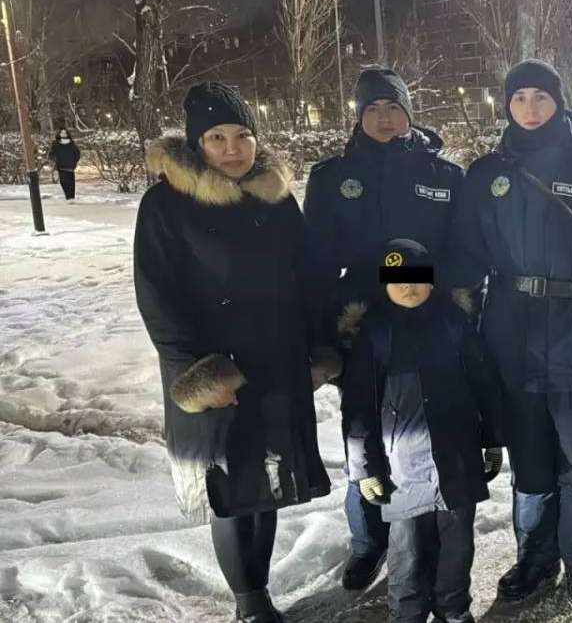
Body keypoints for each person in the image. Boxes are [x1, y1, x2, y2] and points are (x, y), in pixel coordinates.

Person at [134, 81, 336, 623]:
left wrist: (318, 346)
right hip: (217, 371)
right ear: (196, 144)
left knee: (267, 481)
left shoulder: (273, 198)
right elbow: (157, 297)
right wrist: (197, 374)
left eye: (243, 135)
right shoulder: (165, 205)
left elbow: (308, 276)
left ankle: (259, 590)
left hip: (276, 361)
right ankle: (249, 604)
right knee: (230, 485)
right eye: (217, 137)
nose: (232, 148)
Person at [451, 59, 572, 608]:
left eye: (540, 97)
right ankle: (536, 560)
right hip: (510, 333)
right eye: (519, 99)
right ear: (506, 105)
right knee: (531, 462)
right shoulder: (488, 174)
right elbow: (464, 257)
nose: (530, 108)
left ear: (558, 102)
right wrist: (423, 307)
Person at [302, 66, 467, 591]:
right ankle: (368, 541)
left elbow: (463, 251)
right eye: (373, 109)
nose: (384, 118)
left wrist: (456, 308)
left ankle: (427, 534)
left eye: (393, 108)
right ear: (358, 115)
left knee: (424, 427)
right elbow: (316, 263)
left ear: (410, 113)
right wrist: (324, 331)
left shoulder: (445, 176)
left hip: (429, 316)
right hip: (362, 321)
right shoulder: (332, 177)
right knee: (364, 432)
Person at [341, 238, 505, 623]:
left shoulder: (454, 322)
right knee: (408, 551)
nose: (408, 286)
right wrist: (363, 469)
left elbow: (484, 383)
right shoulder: (375, 333)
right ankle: (407, 613)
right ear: (385, 284)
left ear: (432, 280)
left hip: (457, 456)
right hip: (403, 465)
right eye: (397, 280)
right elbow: (358, 408)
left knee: (457, 546)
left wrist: (493, 439)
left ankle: (453, 608)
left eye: (416, 278)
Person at [48, 128, 81, 200]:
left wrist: (74, 161)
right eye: (62, 133)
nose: (63, 134)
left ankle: (71, 197)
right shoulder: (56, 143)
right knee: (63, 182)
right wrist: (55, 160)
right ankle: (68, 196)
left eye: (65, 133)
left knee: (71, 183)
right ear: (59, 134)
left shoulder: (72, 143)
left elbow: (77, 153)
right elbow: (51, 155)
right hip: (61, 166)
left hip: (70, 166)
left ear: (67, 134)